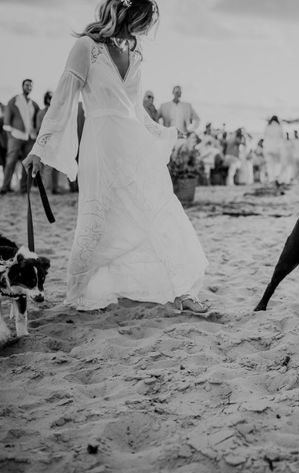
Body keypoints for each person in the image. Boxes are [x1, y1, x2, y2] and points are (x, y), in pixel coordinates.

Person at [23, 0, 209, 313]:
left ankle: (180, 289)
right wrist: (39, 149)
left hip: (134, 145)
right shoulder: (86, 47)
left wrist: (167, 133)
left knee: (158, 210)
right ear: (127, 13)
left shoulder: (135, 54)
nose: (145, 29)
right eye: (143, 20)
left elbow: (135, 110)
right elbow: (63, 101)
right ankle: (79, 291)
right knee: (95, 221)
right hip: (100, 145)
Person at [1, 79, 40, 194]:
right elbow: (7, 122)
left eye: (30, 86)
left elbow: (37, 119)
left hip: (30, 138)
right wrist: (10, 136)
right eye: (27, 85)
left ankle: (24, 188)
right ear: (22, 86)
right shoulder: (14, 101)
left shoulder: (34, 104)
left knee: (27, 163)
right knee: (11, 161)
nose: (29, 87)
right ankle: (5, 187)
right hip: (16, 136)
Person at [36, 91, 61, 194]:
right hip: (46, 143)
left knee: (56, 166)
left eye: (53, 98)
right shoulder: (41, 113)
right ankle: (46, 190)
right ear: (46, 99)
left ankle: (55, 188)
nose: (51, 100)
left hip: (57, 142)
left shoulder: (58, 112)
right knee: (47, 167)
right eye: (50, 98)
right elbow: (39, 129)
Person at [263, 115, 284, 184]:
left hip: (268, 148)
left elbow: (265, 138)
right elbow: (281, 138)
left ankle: (271, 179)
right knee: (277, 164)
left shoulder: (268, 127)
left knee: (270, 165)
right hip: (277, 148)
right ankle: (277, 177)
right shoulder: (279, 127)